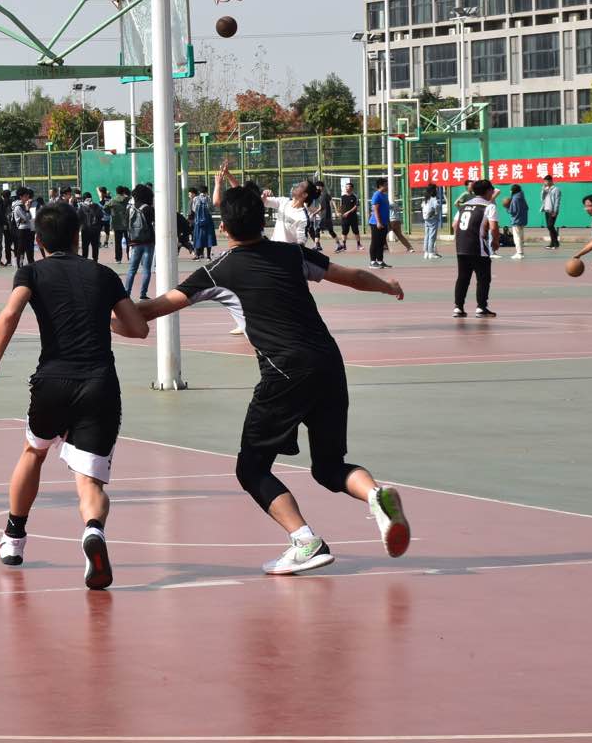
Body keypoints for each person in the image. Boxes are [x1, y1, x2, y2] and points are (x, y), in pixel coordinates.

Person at [136, 183, 411, 576]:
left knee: (251, 468)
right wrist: (387, 285)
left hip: (285, 371)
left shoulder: (218, 270)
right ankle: (375, 495)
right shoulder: (291, 254)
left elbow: (156, 307)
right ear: (262, 221)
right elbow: (349, 276)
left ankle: (305, 541)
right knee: (329, 467)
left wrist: (103, 312)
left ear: (225, 227)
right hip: (329, 364)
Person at [0, 203, 149, 587]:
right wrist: (102, 319)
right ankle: (93, 531)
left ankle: (14, 537)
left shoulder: (31, 272)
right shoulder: (103, 274)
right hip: (100, 384)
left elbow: (10, 313)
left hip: (53, 381)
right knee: (90, 481)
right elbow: (138, 329)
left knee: (34, 451)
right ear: (77, 237)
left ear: (38, 240)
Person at [452, 179, 499, 319]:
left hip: (461, 246)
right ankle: (481, 307)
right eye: (492, 190)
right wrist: (495, 241)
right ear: (488, 191)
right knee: (483, 278)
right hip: (478, 247)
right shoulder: (489, 206)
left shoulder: (464, 206)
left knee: (463, 278)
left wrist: (461, 239)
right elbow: (493, 227)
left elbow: (454, 225)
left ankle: (458, 307)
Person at [123, 184, 156, 298]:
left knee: (132, 269)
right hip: (148, 241)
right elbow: (154, 221)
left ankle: (127, 293)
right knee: (146, 269)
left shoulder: (130, 209)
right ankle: (143, 293)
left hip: (135, 242)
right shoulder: (148, 208)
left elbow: (126, 225)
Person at [366, 178, 392, 269]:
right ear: (381, 186)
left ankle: (380, 261)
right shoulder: (376, 195)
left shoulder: (385, 195)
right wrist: (378, 222)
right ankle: (372, 262)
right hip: (375, 223)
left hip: (384, 223)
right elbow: (375, 210)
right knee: (375, 242)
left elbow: (386, 210)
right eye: (386, 185)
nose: (387, 186)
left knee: (381, 242)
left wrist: (388, 223)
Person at [10, 188, 36, 269]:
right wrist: (27, 209)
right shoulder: (18, 207)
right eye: (26, 196)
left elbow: (32, 217)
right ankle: (20, 266)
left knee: (30, 249)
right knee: (21, 250)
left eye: (28, 195)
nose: (28, 197)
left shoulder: (26, 204)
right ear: (21, 197)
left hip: (29, 229)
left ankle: (31, 266)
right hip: (22, 230)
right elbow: (26, 218)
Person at [190, 185, 216, 260]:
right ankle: (208, 256)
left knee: (198, 237)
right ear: (206, 191)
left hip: (198, 222)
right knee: (209, 237)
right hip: (208, 221)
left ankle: (198, 255)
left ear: (199, 191)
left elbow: (194, 209)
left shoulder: (195, 198)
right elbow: (212, 209)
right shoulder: (208, 198)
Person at [107, 186, 131, 264]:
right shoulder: (128, 199)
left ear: (116, 192)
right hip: (127, 224)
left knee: (118, 242)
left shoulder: (113, 200)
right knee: (129, 241)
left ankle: (118, 259)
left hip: (116, 223)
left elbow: (105, 207)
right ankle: (130, 257)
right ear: (123, 192)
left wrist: (111, 212)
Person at [77, 192, 104, 261]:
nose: (88, 201)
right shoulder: (82, 207)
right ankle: (88, 261)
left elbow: (101, 215)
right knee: (87, 247)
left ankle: (93, 261)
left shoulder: (95, 206)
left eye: (89, 199)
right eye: (87, 199)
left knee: (92, 247)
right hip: (88, 230)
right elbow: (78, 218)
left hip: (92, 230)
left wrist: (92, 208)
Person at [337, 181, 362, 252]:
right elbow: (341, 206)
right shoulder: (342, 197)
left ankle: (358, 245)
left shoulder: (355, 197)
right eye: (346, 187)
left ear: (352, 188)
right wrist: (339, 212)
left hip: (353, 217)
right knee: (344, 231)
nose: (346, 188)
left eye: (348, 187)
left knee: (356, 231)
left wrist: (348, 212)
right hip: (344, 218)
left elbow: (356, 206)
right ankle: (344, 246)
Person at [505, 184, 528, 260]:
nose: (510, 191)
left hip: (516, 220)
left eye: (511, 189)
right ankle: (521, 252)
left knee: (517, 237)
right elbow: (527, 208)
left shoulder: (515, 198)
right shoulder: (522, 197)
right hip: (522, 219)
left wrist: (507, 208)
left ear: (513, 190)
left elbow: (513, 211)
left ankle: (519, 253)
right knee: (520, 237)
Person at [421, 186, 444, 259]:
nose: (437, 191)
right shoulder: (433, 199)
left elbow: (422, 206)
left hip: (426, 219)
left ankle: (426, 252)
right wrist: (436, 213)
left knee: (427, 235)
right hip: (433, 219)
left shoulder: (426, 199)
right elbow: (436, 206)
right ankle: (431, 252)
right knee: (432, 236)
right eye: (436, 190)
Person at [541, 174, 562, 250]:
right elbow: (542, 198)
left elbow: (557, 201)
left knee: (550, 226)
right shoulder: (546, 189)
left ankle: (556, 243)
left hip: (553, 210)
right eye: (544, 181)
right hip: (547, 209)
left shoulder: (556, 189)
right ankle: (552, 243)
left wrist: (555, 211)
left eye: (546, 181)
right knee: (549, 227)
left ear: (550, 181)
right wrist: (543, 190)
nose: (545, 183)